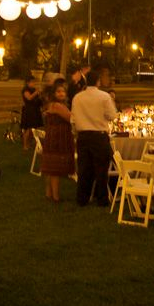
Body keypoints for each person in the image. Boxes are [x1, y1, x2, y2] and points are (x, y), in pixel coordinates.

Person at [70, 69, 118, 206]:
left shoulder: (77, 97)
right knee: (101, 169)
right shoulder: (104, 96)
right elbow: (112, 116)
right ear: (98, 81)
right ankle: (101, 198)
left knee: (84, 168)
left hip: (83, 136)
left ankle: (82, 198)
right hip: (99, 136)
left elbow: (73, 119)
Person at [40, 81, 74, 202]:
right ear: (54, 94)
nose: (61, 93)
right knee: (55, 168)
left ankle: (49, 193)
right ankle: (56, 197)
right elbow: (71, 118)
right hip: (57, 138)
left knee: (50, 168)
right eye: (58, 91)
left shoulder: (54, 105)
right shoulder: (57, 106)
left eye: (63, 91)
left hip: (52, 137)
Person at [19, 76, 44, 150]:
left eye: (34, 82)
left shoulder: (33, 89)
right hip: (29, 111)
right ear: (28, 82)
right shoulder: (25, 90)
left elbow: (38, 99)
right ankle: (25, 145)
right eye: (32, 82)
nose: (34, 83)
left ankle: (30, 143)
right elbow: (29, 98)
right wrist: (36, 92)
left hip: (35, 110)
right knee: (28, 128)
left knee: (34, 128)